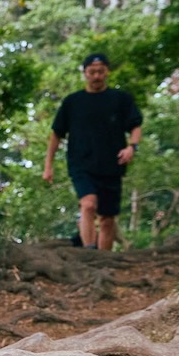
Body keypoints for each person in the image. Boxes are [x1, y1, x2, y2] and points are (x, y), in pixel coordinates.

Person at [42, 53, 143, 250]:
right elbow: (56, 134)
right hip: (81, 162)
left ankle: (103, 260)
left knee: (107, 219)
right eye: (92, 72)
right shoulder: (72, 102)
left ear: (107, 72)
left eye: (100, 71)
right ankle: (88, 252)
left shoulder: (121, 99)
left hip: (113, 163)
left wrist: (132, 147)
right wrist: (48, 166)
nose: (96, 76)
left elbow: (135, 125)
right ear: (85, 73)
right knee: (88, 204)